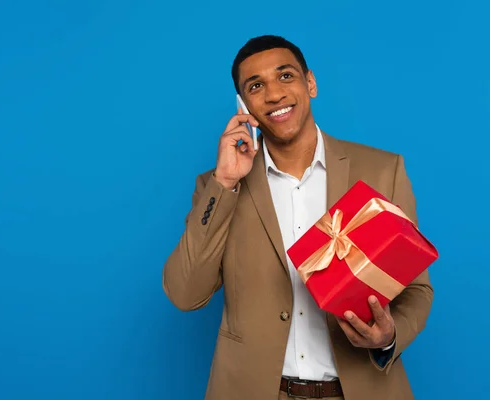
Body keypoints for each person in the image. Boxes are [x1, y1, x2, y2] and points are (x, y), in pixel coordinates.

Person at [162, 35, 433, 400]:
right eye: (256, 86)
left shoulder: (383, 171)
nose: (273, 94)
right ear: (244, 105)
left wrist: (389, 336)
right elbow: (185, 294)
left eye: (285, 76)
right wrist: (224, 182)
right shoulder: (219, 187)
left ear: (311, 83)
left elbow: (416, 288)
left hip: (361, 389)